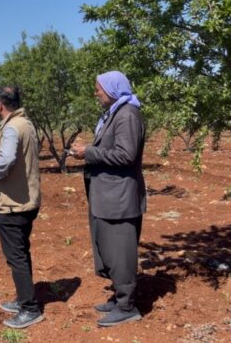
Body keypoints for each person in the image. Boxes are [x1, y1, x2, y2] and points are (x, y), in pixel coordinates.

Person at [71, 70, 146, 327]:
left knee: (121, 252)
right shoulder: (115, 113)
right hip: (109, 196)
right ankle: (119, 296)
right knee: (110, 250)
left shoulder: (127, 115)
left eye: (98, 89)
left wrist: (89, 152)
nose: (96, 93)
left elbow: (126, 155)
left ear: (112, 89)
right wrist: (90, 150)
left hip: (120, 199)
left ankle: (127, 306)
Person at [0, 85, 44, 329]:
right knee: (21, 252)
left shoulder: (10, 127)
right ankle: (22, 298)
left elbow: (6, 160)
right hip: (27, 201)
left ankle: (30, 309)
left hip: (12, 204)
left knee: (16, 257)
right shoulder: (25, 123)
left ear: (0, 104)